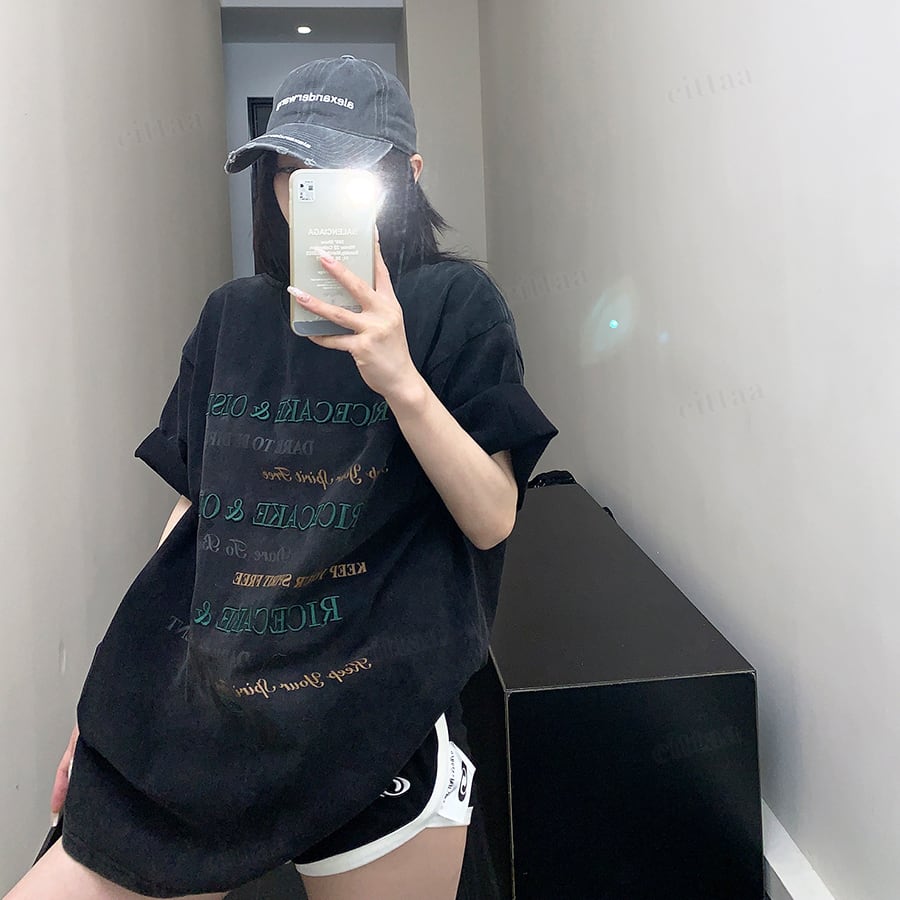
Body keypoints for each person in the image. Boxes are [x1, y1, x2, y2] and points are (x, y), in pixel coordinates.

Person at [8, 56, 556, 899]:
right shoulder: (229, 316)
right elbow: (196, 521)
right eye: (292, 171)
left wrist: (400, 378)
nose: (308, 191)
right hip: (215, 714)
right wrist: (121, 712)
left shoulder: (457, 305)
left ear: (408, 176)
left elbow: (492, 517)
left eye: (342, 172)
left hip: (376, 713)